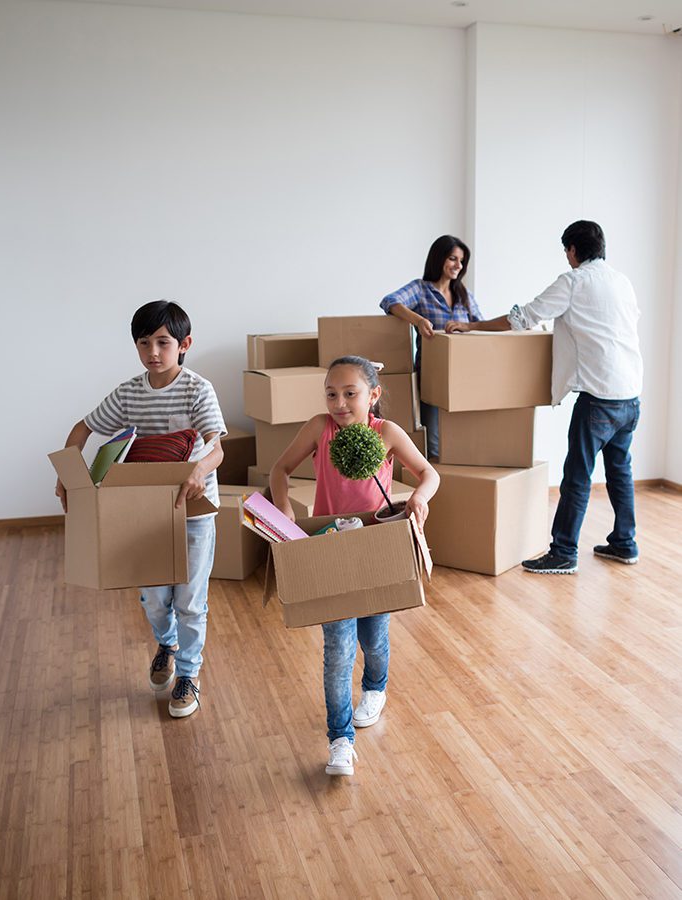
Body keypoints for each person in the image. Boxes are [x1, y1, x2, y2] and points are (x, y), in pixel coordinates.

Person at [269, 356, 439, 776]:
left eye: (351, 393)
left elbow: (428, 474)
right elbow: (280, 469)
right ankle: (340, 739)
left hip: (376, 546)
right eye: (331, 393)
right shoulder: (318, 429)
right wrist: (285, 508)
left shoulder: (388, 433)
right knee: (338, 650)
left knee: (374, 638)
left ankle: (376, 687)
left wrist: (419, 497)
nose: (340, 403)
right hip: (329, 545)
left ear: (373, 395)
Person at [55, 300, 226, 716]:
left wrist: (199, 470)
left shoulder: (197, 388)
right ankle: (166, 644)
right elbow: (84, 427)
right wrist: (69, 472)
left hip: (194, 510)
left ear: (184, 344)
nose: (153, 351)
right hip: (143, 513)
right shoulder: (130, 392)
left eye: (163, 342)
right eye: (144, 342)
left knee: (190, 599)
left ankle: (188, 674)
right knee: (153, 599)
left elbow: (217, 447)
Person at [446, 220, 643, 574]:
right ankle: (624, 543)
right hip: (630, 394)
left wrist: (471, 326)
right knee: (620, 471)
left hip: (598, 397)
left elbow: (523, 317)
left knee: (577, 476)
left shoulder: (574, 281)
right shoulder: (621, 281)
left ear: (571, 250)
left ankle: (564, 552)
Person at [380, 235, 483, 457]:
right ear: (439, 259)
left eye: (461, 261)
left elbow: (481, 326)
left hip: (463, 376)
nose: (458, 265)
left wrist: (466, 326)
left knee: (462, 439)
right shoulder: (421, 289)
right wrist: (416, 319)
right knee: (434, 441)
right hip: (431, 375)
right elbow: (389, 301)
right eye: (453, 258)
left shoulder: (464, 295)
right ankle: (436, 485)